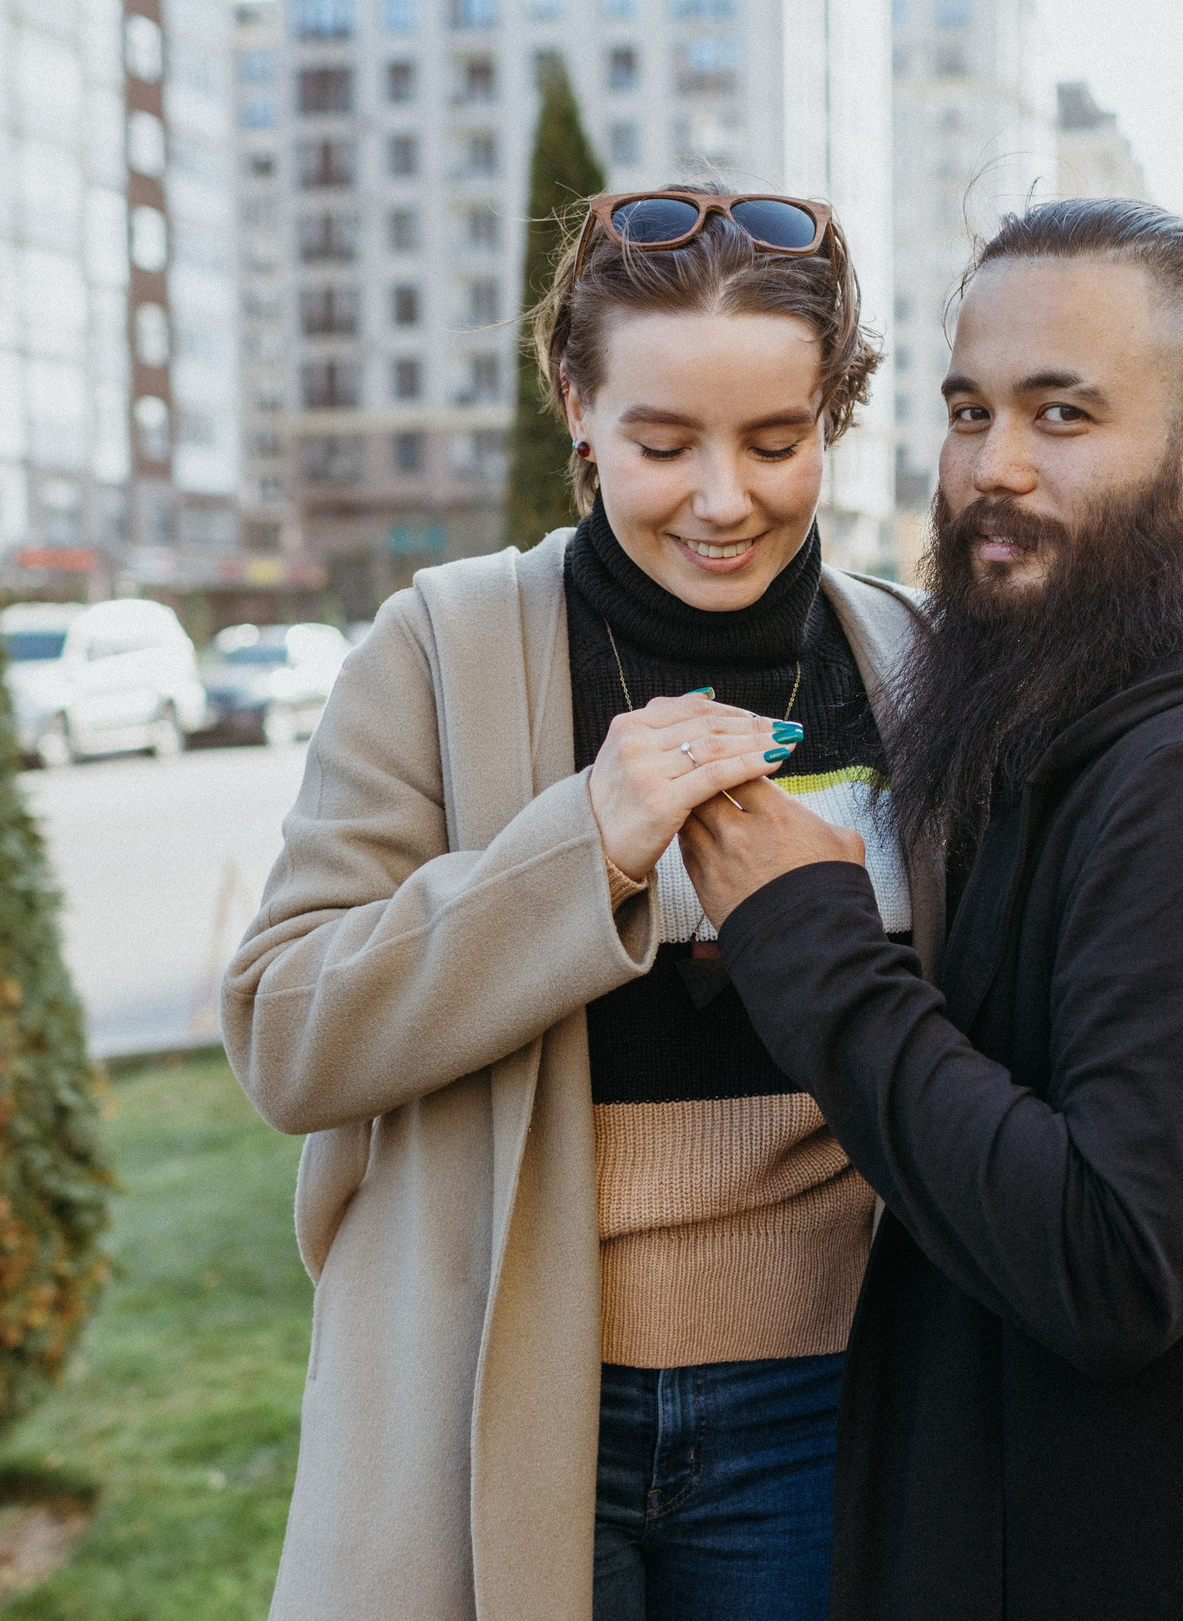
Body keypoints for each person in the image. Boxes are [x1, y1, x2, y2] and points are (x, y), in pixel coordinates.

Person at [678, 199, 1183, 1619]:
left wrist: (804, 936)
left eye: (1063, 415)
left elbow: (1111, 1259)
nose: (993, 468)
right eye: (970, 409)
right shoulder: (1108, 704)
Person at [220, 187, 939, 1621]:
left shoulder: (909, 656)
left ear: (836, 419)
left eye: (776, 441)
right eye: (664, 443)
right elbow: (285, 1030)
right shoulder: (441, 643)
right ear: (576, 404)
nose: (724, 497)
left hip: (829, 1394)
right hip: (506, 1388)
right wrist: (584, 850)